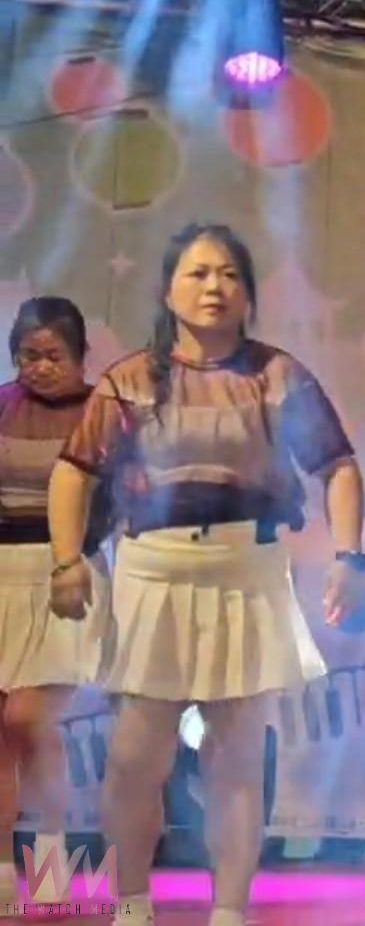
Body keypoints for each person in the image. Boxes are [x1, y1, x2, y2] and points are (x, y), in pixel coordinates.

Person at [46, 222, 365, 926]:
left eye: (228, 274)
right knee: (136, 757)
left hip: (247, 571)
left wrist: (350, 556)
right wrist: (66, 561)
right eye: (197, 273)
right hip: (153, 572)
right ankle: (132, 903)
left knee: (238, 756)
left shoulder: (279, 376)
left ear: (247, 293)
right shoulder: (131, 380)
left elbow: (338, 467)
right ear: (168, 291)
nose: (214, 287)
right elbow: (74, 473)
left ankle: (229, 911)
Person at [0, 297, 112, 905]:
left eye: (53, 355)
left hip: (66, 576)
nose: (39, 367)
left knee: (28, 718)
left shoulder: (103, 412)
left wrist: (77, 553)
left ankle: (49, 863)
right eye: (27, 355)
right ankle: (2, 871)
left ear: (80, 354)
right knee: (2, 733)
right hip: (2, 575)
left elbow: (119, 497)